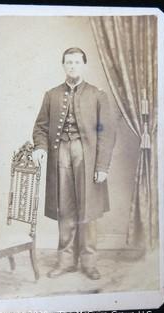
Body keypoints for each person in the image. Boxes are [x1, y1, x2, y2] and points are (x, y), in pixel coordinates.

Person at [33, 47, 116, 280]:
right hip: (61, 156)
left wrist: (102, 166)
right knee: (65, 210)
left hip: (87, 157)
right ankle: (65, 261)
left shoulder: (97, 95)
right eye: (68, 62)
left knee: (88, 210)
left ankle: (89, 263)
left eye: (77, 62)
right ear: (63, 66)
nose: (72, 66)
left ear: (84, 65)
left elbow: (106, 133)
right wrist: (40, 147)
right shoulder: (51, 95)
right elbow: (41, 126)